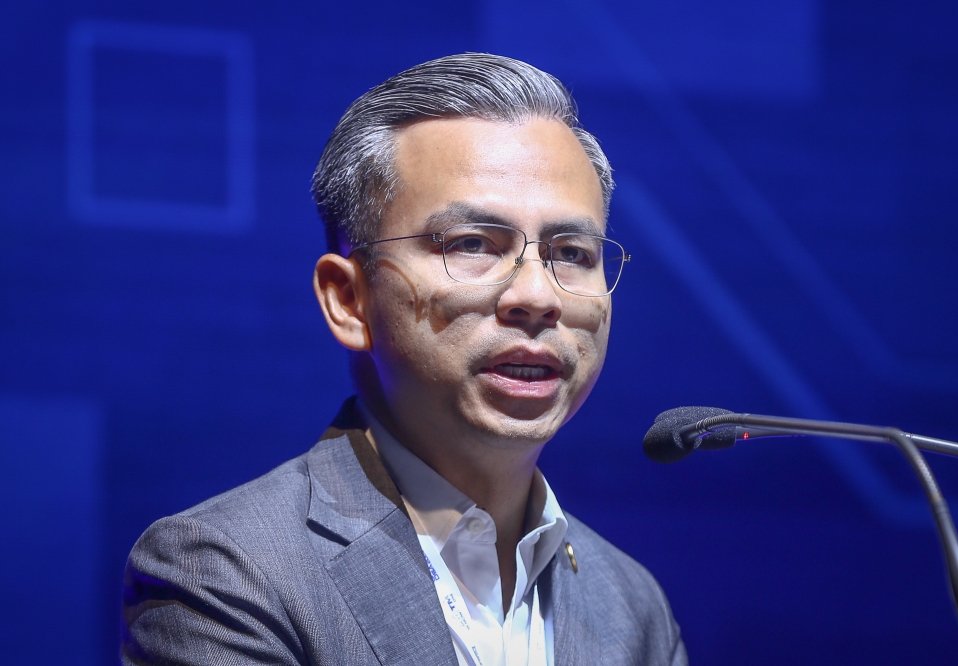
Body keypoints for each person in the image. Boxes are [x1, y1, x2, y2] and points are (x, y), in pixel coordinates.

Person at [122, 53, 686, 665]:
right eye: (473, 244)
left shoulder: (631, 605)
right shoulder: (227, 574)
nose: (537, 297)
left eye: (572, 252)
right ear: (349, 300)